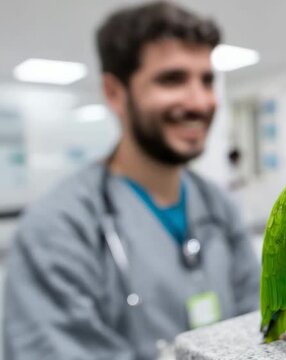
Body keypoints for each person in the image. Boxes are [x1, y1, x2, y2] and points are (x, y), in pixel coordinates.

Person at [3, 2, 260, 359]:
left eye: (206, 80)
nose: (199, 101)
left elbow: (259, 326)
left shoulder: (220, 209)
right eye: (172, 79)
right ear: (114, 92)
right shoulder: (57, 229)